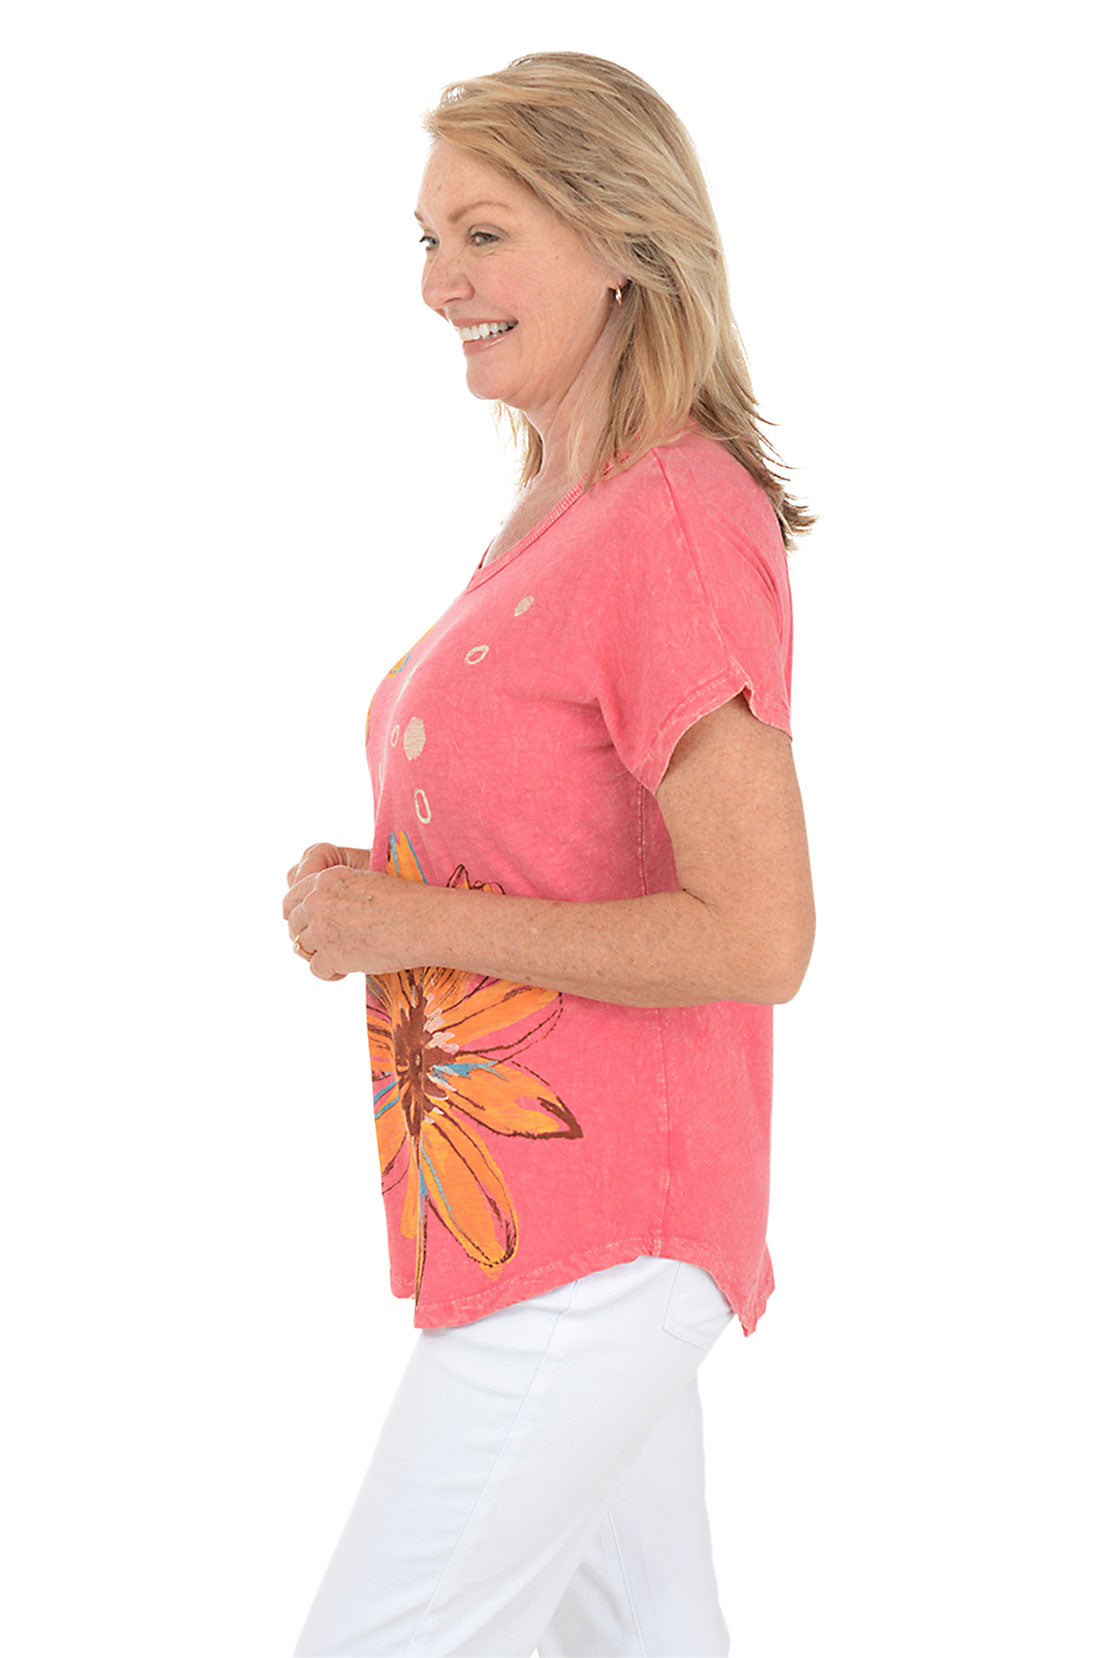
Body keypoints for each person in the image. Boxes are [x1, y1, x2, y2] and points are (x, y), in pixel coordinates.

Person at [283, 49, 816, 1658]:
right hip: (547, 1216)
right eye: (427, 239)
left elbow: (759, 934)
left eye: (485, 235)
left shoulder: (673, 514)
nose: (438, 282)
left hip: (606, 1220)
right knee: (650, 1632)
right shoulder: (566, 511)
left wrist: (405, 921)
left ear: (619, 240)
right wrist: (391, 888)